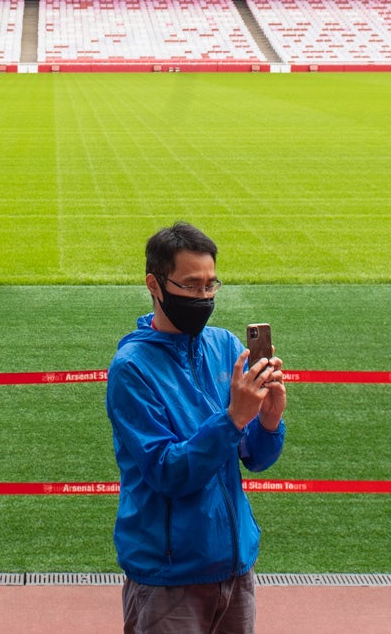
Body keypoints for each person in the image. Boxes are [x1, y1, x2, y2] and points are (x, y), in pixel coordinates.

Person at [106, 222, 286, 634]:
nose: (203, 297)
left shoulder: (224, 346)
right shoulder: (131, 370)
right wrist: (234, 418)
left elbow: (254, 458)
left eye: (211, 285)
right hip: (169, 576)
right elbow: (168, 472)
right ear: (155, 284)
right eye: (191, 285)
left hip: (234, 566)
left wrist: (269, 419)